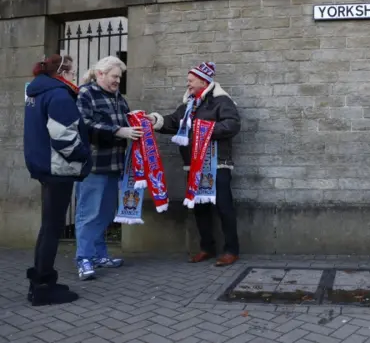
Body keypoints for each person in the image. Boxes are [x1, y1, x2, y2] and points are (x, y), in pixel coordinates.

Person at [146, 61, 242, 266]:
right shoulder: (188, 104)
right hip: (193, 165)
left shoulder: (222, 101)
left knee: (224, 207)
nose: (187, 83)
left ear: (203, 81)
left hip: (217, 164)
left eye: (191, 80)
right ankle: (207, 248)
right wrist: (153, 121)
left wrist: (203, 130)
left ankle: (231, 250)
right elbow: (172, 122)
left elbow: (232, 125)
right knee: (199, 209)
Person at [24, 55, 92, 305]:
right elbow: (64, 138)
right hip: (57, 169)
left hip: (44, 166)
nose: (75, 76)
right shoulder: (59, 95)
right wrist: (84, 156)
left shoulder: (37, 92)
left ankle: (43, 279)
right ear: (62, 72)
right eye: (72, 72)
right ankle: (42, 287)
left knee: (48, 226)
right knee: (52, 228)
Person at [74, 56, 142, 280]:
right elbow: (84, 124)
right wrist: (117, 131)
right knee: (89, 213)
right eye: (114, 76)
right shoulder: (86, 94)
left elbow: (128, 121)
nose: (117, 81)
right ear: (100, 74)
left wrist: (143, 123)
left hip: (115, 164)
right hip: (94, 165)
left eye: (120, 77)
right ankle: (83, 258)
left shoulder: (119, 99)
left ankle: (99, 254)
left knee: (105, 213)